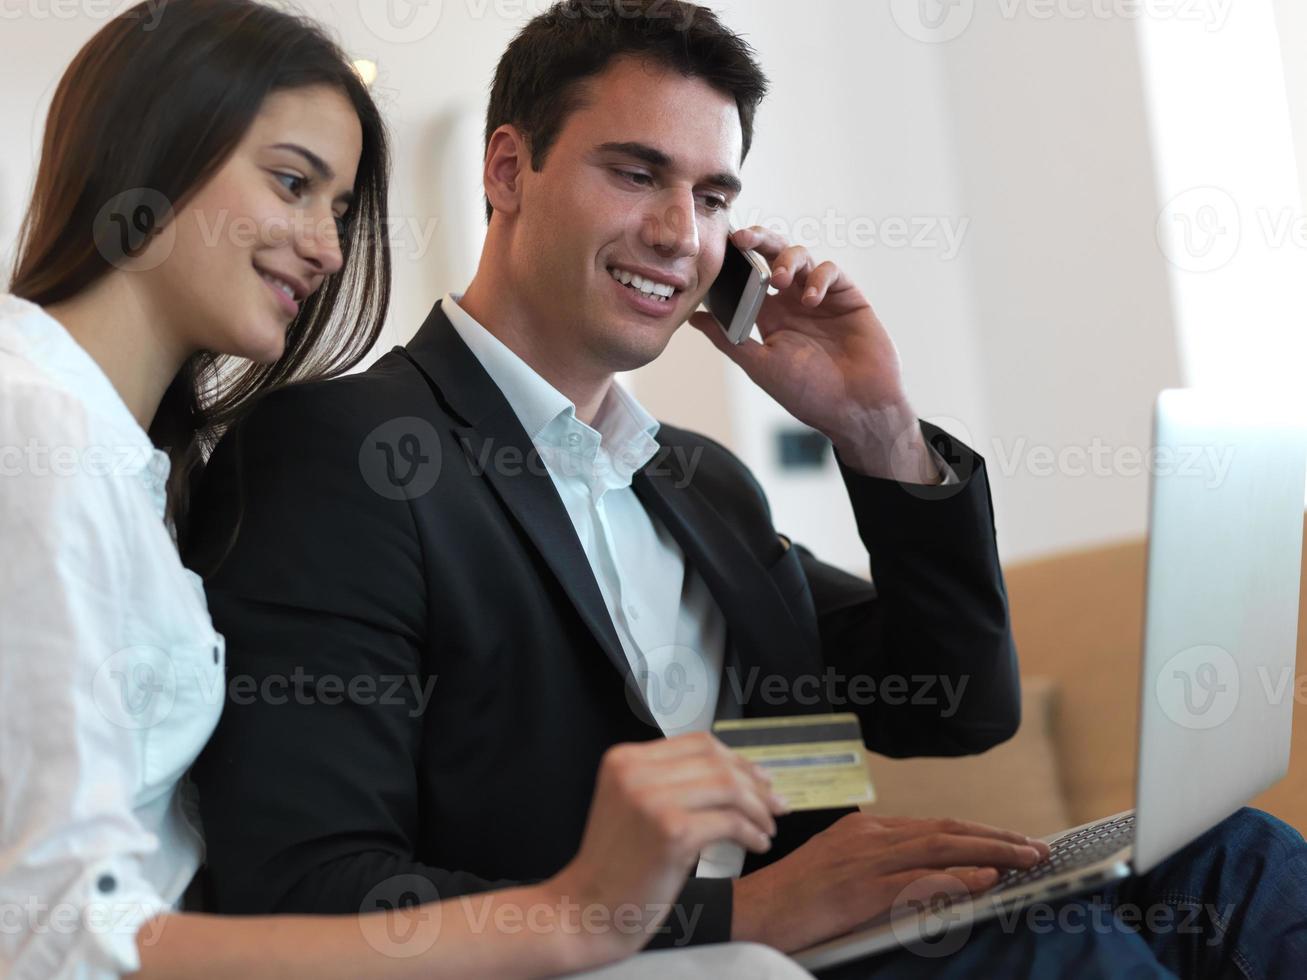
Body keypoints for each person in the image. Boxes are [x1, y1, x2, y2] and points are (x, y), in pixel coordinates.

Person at [185, 1, 1307, 976]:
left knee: (1234, 857)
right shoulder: (346, 449)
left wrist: (872, 427)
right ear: (507, 169)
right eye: (635, 172)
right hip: (659, 960)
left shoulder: (694, 481)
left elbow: (958, 703)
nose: (679, 233)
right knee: (1058, 957)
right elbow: (312, 885)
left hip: (832, 943)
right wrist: (743, 912)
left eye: (713, 193)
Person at [0, 2, 800, 977]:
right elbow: (50, 929)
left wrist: (871, 426)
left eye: (337, 209)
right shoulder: (33, 426)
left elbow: (940, 696)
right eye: (293, 183)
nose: (329, 249)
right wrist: (577, 917)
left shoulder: (132, 465)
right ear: (151, 151)